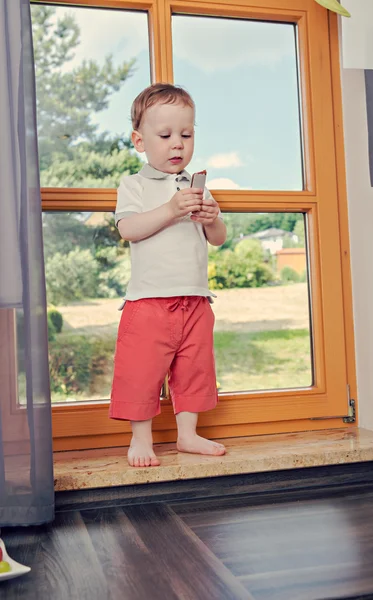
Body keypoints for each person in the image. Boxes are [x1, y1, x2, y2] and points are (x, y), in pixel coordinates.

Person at [109, 83, 227, 467]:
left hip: (195, 298)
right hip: (148, 300)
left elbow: (218, 240)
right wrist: (172, 209)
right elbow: (129, 229)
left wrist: (213, 219)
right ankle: (140, 438)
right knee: (141, 370)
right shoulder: (135, 185)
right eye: (165, 135)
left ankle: (188, 434)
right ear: (139, 141)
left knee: (194, 369)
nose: (177, 144)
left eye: (186, 134)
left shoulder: (198, 189)